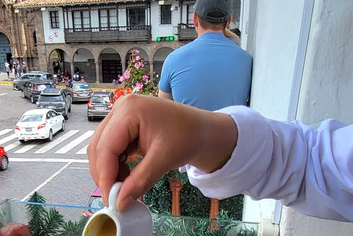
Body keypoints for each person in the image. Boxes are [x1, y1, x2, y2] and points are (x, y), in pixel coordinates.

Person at [87, 95, 353, 222]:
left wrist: (201, 134)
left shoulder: (175, 63)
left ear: (195, 20)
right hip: (206, 166)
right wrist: (202, 135)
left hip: (203, 170)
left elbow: (310, 167)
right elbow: (315, 166)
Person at [158, 0, 252, 111]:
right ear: (229, 21)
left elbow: (162, 110)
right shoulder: (246, 60)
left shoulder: (173, 60)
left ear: (195, 19)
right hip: (230, 124)